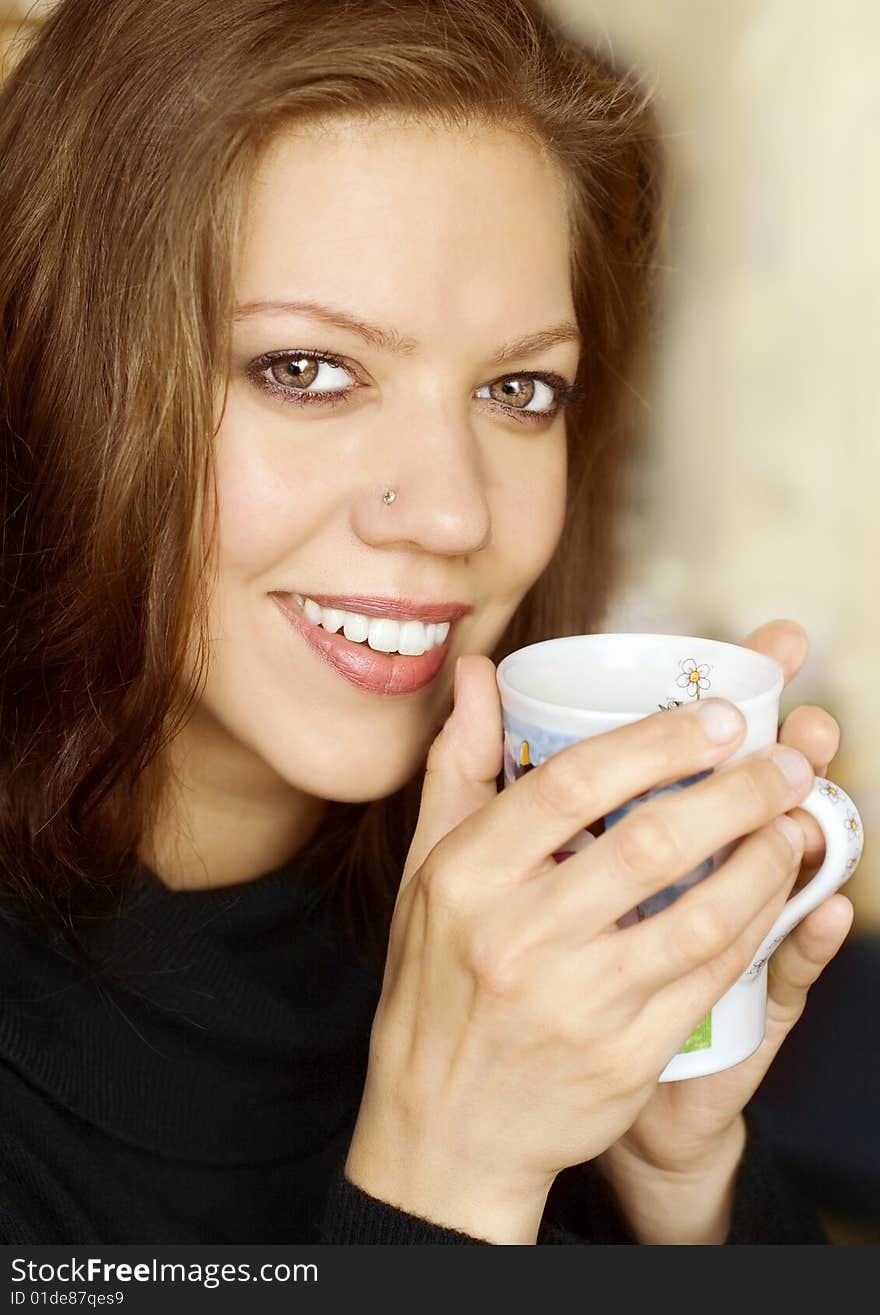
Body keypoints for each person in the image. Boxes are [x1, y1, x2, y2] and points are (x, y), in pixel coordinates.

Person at [0, 0, 851, 1246]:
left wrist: (677, 1182)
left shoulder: (526, 947)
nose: (453, 514)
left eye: (518, 390)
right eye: (305, 370)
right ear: (55, 365)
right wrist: (443, 1177)